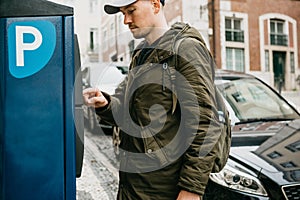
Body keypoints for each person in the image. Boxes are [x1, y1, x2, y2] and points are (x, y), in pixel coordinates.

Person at [83, 0, 227, 199]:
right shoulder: (141, 54)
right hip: (133, 186)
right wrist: (105, 104)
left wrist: (191, 190)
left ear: (155, 5)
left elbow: (206, 123)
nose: (126, 20)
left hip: (165, 190)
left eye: (131, 11)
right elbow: (126, 112)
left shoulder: (185, 50)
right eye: (123, 13)